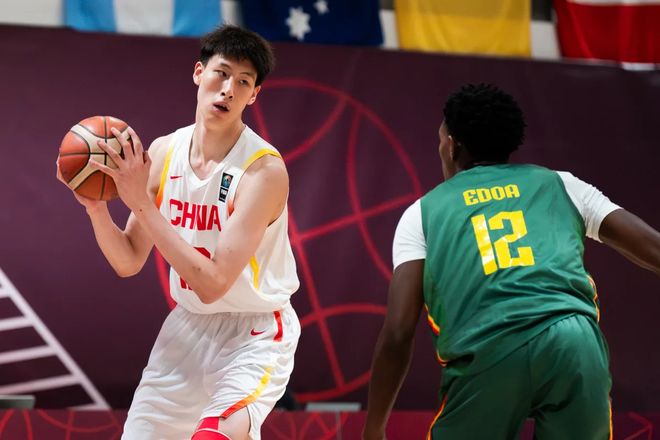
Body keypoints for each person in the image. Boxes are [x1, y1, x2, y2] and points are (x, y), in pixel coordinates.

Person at [362, 83, 660, 440]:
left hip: (490, 348)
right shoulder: (561, 184)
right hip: (574, 342)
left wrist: (374, 428)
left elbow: (398, 332)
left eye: (441, 140)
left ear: (452, 145)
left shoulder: (421, 213)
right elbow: (653, 248)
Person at [57, 25, 300, 440]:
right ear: (199, 73)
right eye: (222, 73)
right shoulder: (165, 151)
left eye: (243, 82)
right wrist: (95, 207)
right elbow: (128, 261)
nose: (228, 89)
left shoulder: (263, 172)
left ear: (253, 95)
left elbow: (213, 284)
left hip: (255, 332)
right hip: (187, 329)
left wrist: (141, 202)